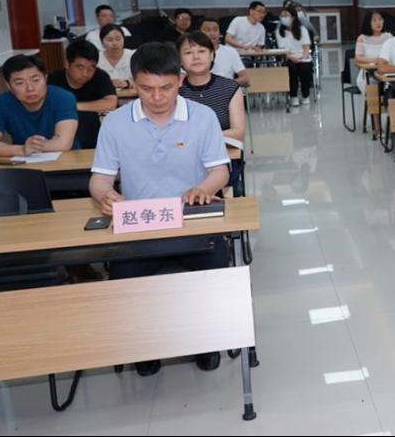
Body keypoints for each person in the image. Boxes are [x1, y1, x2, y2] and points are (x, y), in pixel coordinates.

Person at [89, 42, 230, 376]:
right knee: (124, 280)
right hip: (140, 226)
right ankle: (145, 348)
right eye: (146, 88)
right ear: (133, 84)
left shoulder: (202, 117)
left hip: (191, 223)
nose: (156, 97)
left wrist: (203, 188)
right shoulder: (115, 123)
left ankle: (206, 342)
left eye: (166, 87)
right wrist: (106, 195)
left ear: (180, 80)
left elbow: (220, 171)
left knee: (215, 270)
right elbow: (99, 178)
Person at [178, 31, 247, 196]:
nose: (196, 57)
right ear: (180, 60)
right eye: (188, 53)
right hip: (181, 158)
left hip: (222, 155)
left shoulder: (229, 88)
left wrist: (199, 139)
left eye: (201, 51)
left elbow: (238, 132)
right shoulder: (174, 90)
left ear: (212, 55)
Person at [0, 54, 79, 157]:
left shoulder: (63, 97)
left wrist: (32, 147)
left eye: (36, 80)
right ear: (9, 86)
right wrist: (22, 149)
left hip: (67, 160)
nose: (30, 88)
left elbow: (63, 144)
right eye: (20, 83)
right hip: (24, 162)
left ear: (45, 79)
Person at [49, 39, 118, 150]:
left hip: (94, 134)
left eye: (91, 68)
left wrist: (72, 106)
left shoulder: (100, 76)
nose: (85, 74)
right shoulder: (54, 79)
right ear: (67, 63)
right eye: (80, 67)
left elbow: (110, 103)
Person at [277, 5, 313, 106]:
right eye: (282, 16)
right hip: (289, 57)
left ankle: (305, 95)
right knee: (292, 69)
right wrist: (291, 57)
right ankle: (293, 96)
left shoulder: (302, 29)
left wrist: (303, 58)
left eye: (286, 15)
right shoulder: (279, 32)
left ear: (293, 17)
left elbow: (306, 46)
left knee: (305, 69)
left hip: (303, 57)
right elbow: (282, 50)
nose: (284, 18)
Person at [198, 17, 248, 86]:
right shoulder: (193, 53)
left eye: (215, 30)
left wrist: (225, 85)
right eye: (207, 30)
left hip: (226, 89)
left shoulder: (230, 52)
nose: (212, 33)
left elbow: (245, 78)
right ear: (199, 33)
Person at [354, 10, 391, 90]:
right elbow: (358, 58)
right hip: (368, 74)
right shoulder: (362, 38)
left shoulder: (388, 37)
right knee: (373, 86)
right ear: (368, 23)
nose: (378, 23)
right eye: (374, 20)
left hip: (386, 71)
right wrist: (374, 60)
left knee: (390, 87)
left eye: (380, 19)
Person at [97, 23, 135, 89]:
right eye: (109, 40)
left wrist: (127, 83)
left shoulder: (134, 56)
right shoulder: (97, 59)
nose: (114, 43)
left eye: (118, 39)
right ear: (102, 42)